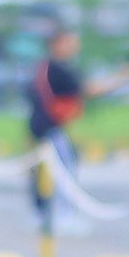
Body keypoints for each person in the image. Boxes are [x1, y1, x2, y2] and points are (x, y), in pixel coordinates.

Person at [23, 26, 86, 159]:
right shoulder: (56, 69)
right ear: (55, 44)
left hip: (44, 124)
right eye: (68, 42)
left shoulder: (44, 66)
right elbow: (83, 90)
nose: (72, 47)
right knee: (62, 163)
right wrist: (116, 80)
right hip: (49, 126)